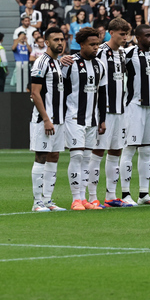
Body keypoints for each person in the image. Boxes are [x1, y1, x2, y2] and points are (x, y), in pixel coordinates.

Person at [80, 18, 133, 207]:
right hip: (105, 111)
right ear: (112, 33)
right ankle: (92, 196)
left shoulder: (123, 54)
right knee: (97, 152)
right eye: (121, 34)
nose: (125, 37)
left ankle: (111, 196)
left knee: (116, 152)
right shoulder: (100, 52)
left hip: (121, 110)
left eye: (126, 34)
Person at [119, 25, 150, 205]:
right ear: (137, 37)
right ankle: (125, 194)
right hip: (133, 107)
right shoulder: (128, 53)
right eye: (147, 35)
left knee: (147, 151)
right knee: (129, 149)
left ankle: (144, 194)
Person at [62, 27, 107, 211]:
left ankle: (85, 199)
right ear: (81, 45)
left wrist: (102, 119)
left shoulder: (100, 65)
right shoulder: (69, 63)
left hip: (92, 119)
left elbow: (102, 94)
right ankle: (76, 199)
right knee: (78, 156)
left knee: (87, 158)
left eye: (97, 44)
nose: (96, 48)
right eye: (92, 44)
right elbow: (61, 89)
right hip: (73, 117)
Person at [29, 27, 67, 212]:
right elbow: (35, 93)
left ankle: (48, 200)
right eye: (55, 40)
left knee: (54, 156)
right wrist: (46, 119)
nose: (59, 43)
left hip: (58, 120)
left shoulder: (57, 63)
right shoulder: (41, 63)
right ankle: (37, 203)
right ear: (46, 41)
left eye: (62, 39)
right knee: (41, 156)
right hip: (44, 120)